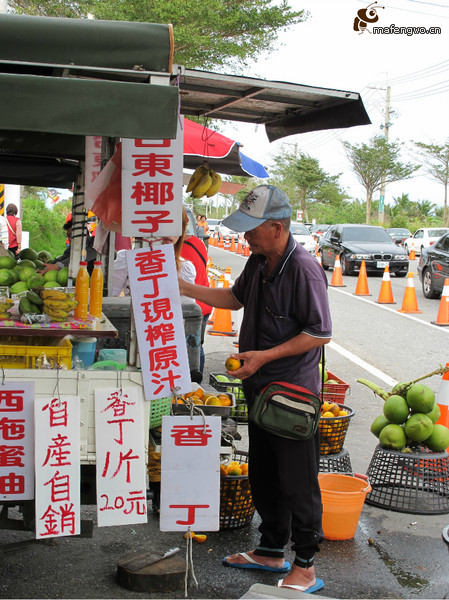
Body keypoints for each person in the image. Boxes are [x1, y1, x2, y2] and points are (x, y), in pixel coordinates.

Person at [178, 185, 332, 593]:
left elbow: (319, 333)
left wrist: (263, 356)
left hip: (291, 396)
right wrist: (186, 288)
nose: (245, 236)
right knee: (264, 473)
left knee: (298, 481)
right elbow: (233, 297)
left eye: (253, 229)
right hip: (259, 390)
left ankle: (305, 565)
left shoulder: (303, 268)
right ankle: (269, 550)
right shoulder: (259, 260)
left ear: (277, 228)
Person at [180, 233, 212, 375]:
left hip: (190, 307)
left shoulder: (175, 249)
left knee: (191, 348)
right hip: (204, 303)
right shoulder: (197, 242)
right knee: (197, 345)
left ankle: (194, 382)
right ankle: (197, 383)